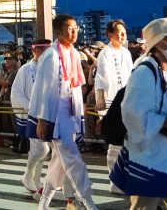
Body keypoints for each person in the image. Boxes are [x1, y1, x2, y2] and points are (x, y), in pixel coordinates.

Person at [111, 17, 167, 210]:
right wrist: (166, 122)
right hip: (149, 158)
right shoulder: (145, 71)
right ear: (160, 41)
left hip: (166, 156)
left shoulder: (165, 71)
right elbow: (132, 113)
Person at [29, 13, 98, 210]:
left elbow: (77, 86)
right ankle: (88, 200)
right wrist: (42, 119)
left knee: (60, 161)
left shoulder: (74, 53)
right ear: (59, 31)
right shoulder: (51, 55)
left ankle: (44, 202)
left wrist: (81, 112)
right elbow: (44, 89)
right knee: (73, 159)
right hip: (56, 117)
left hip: (71, 113)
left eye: (76, 28)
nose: (74, 32)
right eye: (70, 28)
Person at [12, 39, 52, 194]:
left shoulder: (50, 68)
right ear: (35, 51)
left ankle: (36, 178)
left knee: (44, 148)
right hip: (32, 113)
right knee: (40, 148)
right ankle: (28, 175)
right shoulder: (26, 69)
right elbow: (16, 92)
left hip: (48, 113)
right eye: (42, 50)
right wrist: (29, 106)